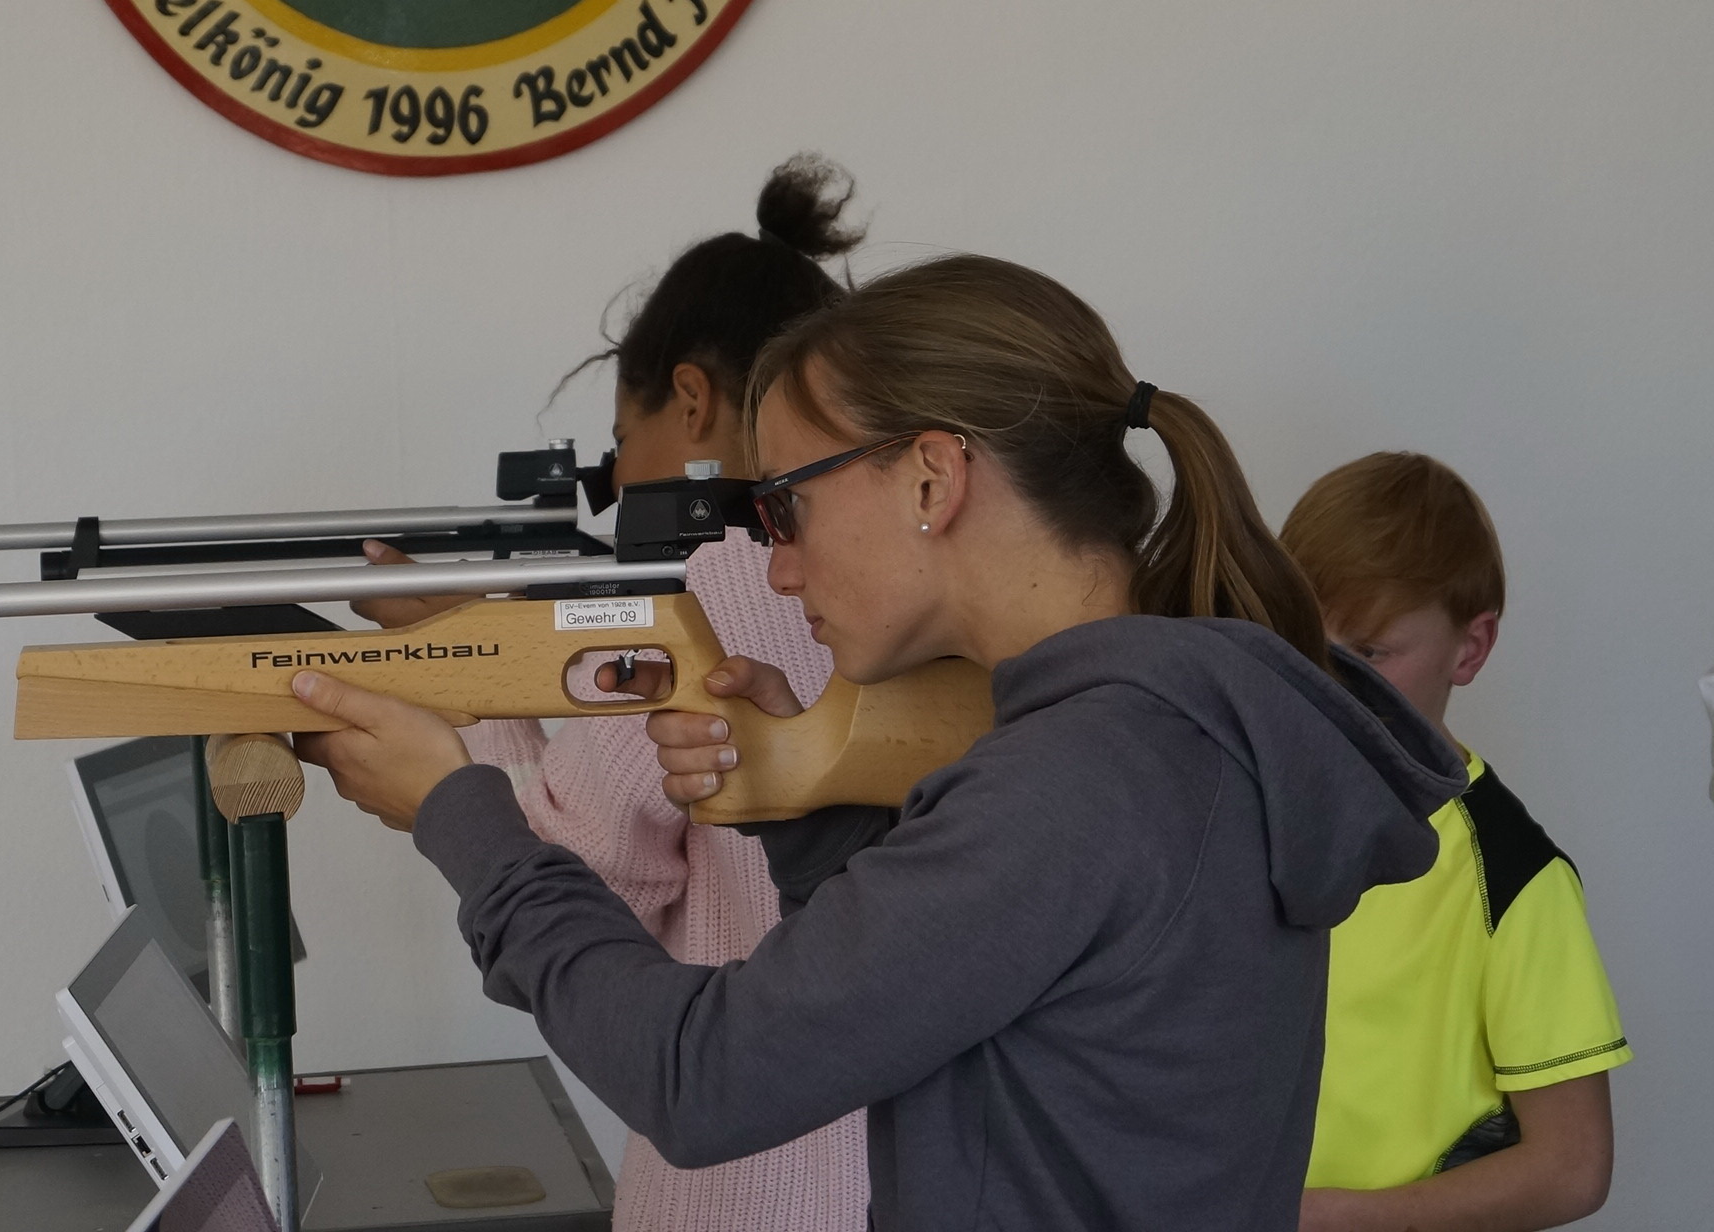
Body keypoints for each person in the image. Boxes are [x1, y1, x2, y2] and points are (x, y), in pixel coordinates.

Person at [291, 253, 1459, 1230]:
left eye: (784, 504)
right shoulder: (1171, 733)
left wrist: (461, 812)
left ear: (931, 477)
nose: (775, 565)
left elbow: (699, 1077)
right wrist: (808, 812)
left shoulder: (1073, 785)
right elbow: (979, 1007)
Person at [351, 155, 871, 1232]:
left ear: (692, 400)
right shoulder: (876, 578)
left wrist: (470, 683)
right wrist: (495, 649)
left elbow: (569, 888)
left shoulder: (713, 588)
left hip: (747, 1182)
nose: (616, 479)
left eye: (623, 444)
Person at [1280, 452, 1630, 1232]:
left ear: (1468, 650)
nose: (1325, 680)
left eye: (1368, 653)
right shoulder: (1231, 815)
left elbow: (1571, 1168)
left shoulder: (1513, 875)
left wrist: (1335, 1219)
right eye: (1300, 639)